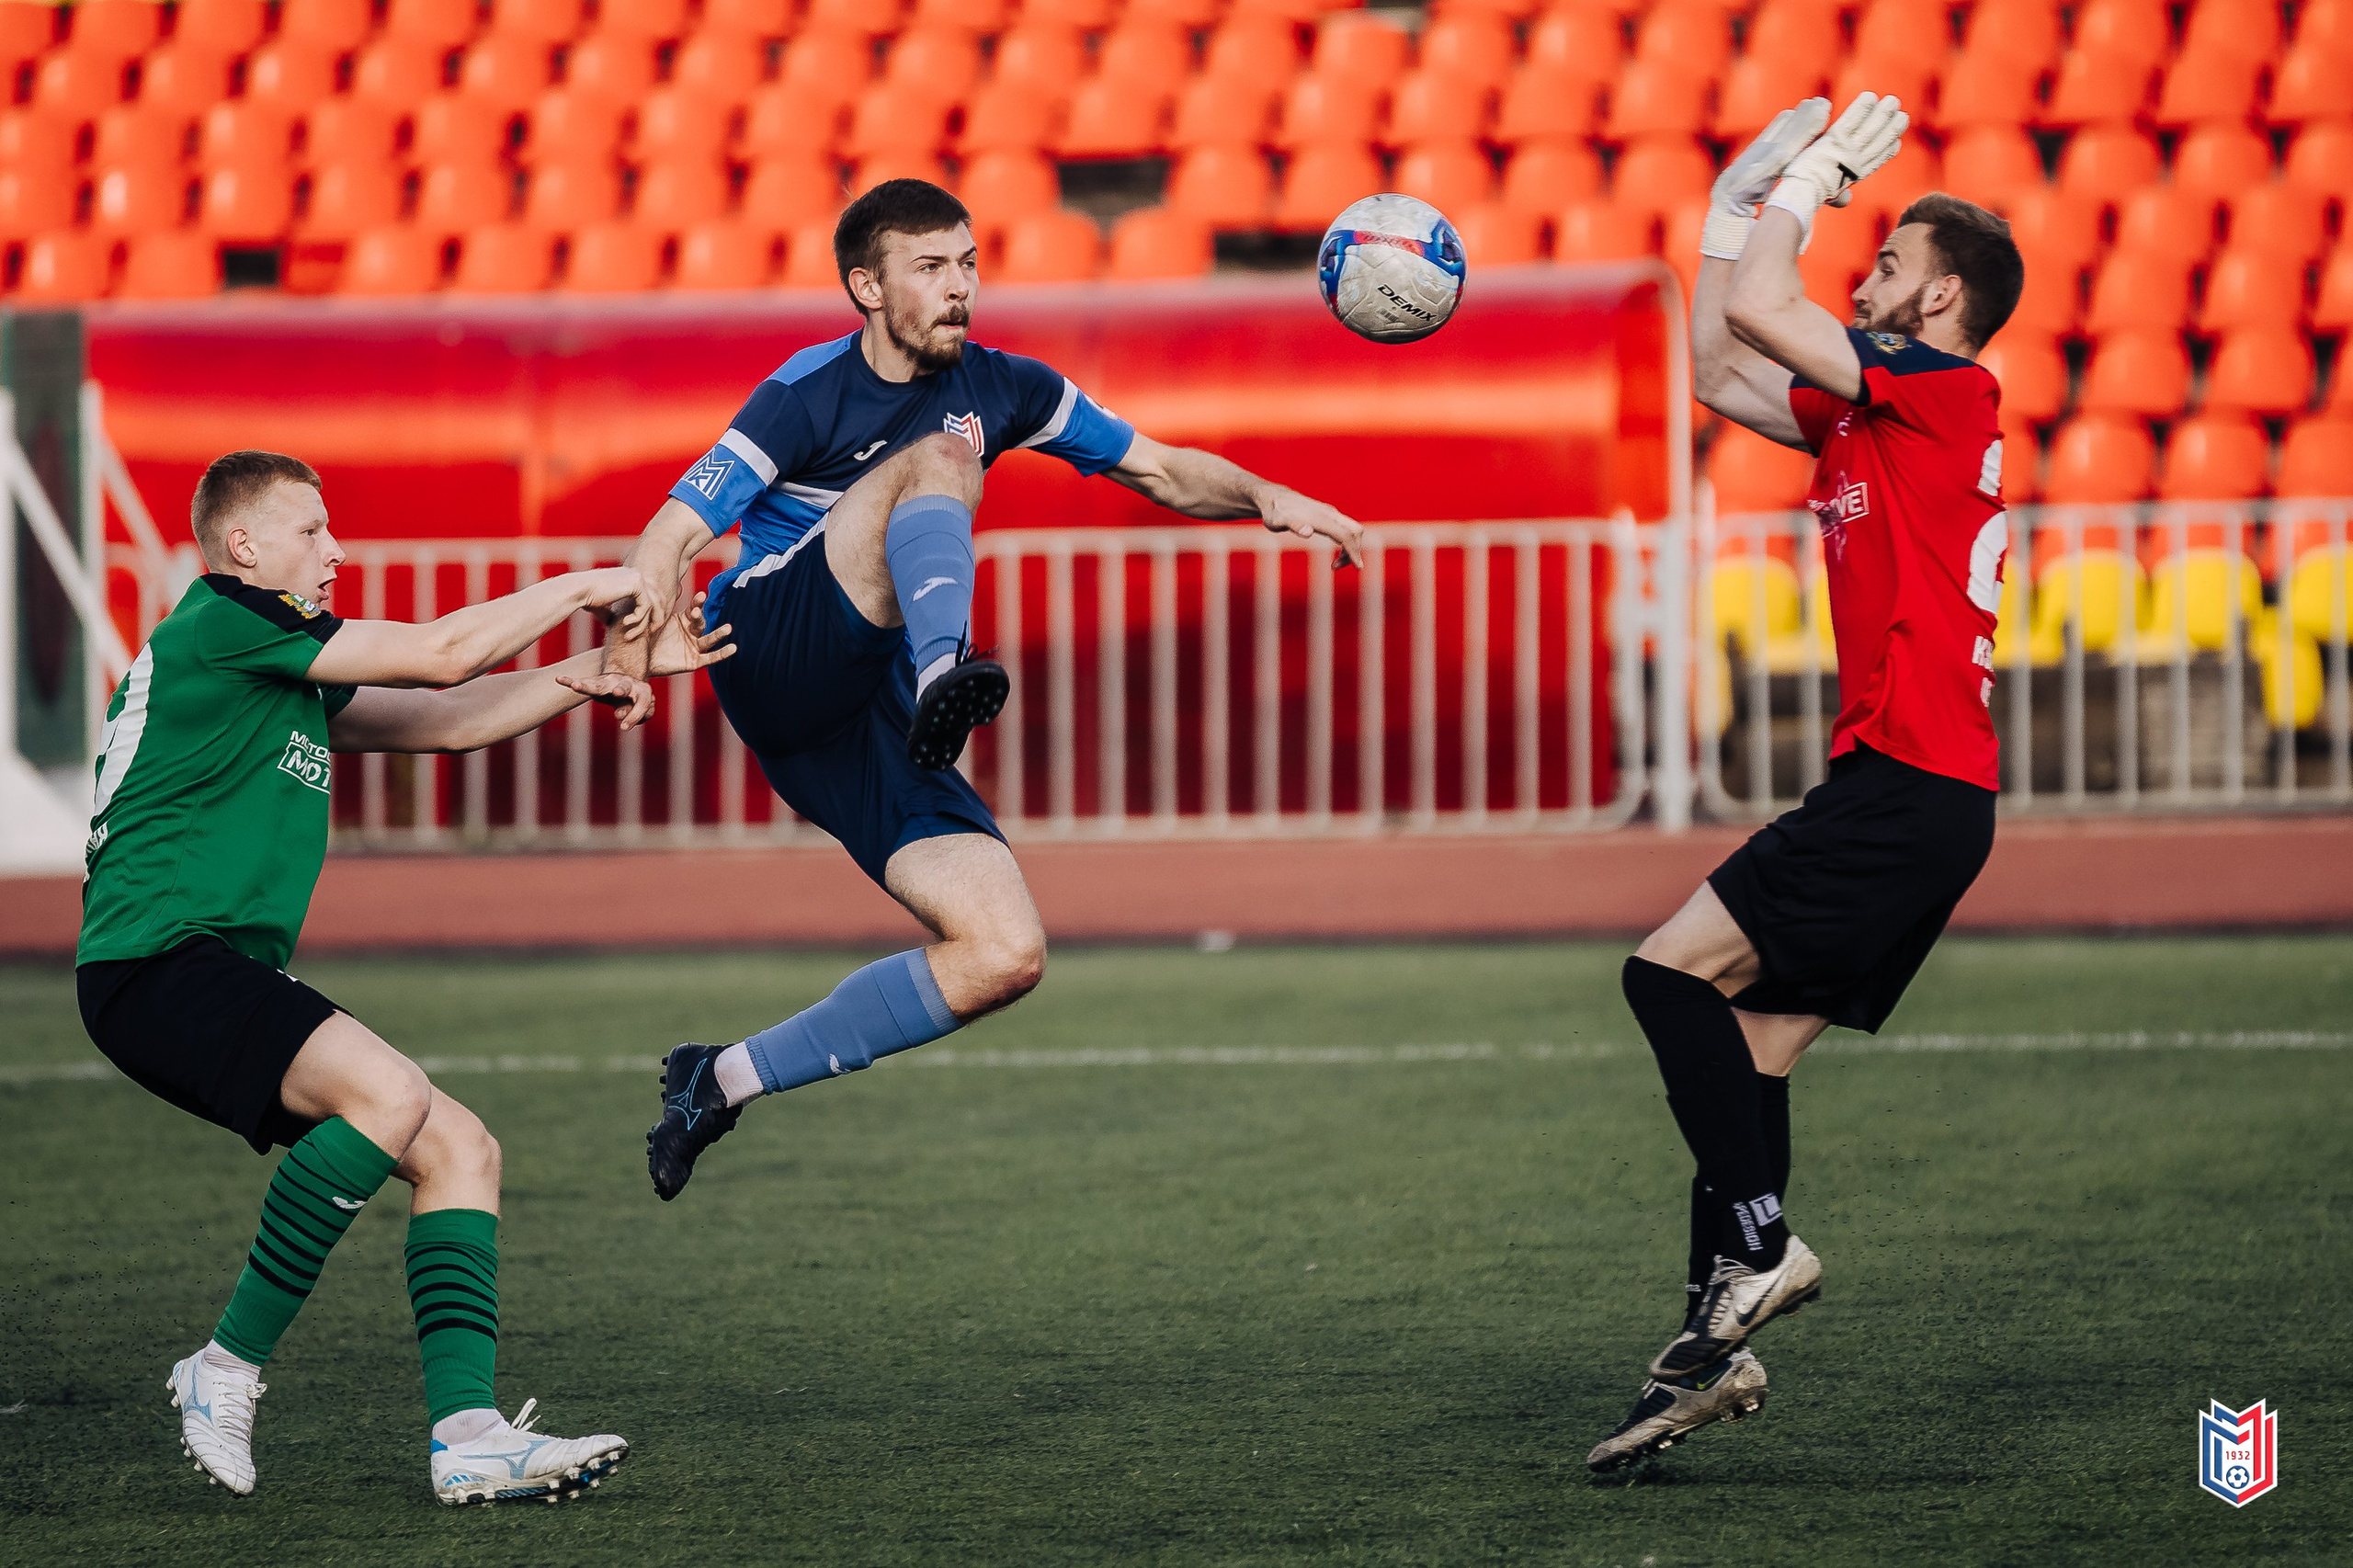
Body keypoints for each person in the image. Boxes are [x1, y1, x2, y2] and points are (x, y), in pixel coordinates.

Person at [620, 178, 1365, 1201]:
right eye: (930, 266)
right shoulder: (805, 392)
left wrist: (1266, 496)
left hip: (866, 708)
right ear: (866, 287)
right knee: (939, 455)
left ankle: (719, 1078)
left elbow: (1158, 468)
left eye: (968, 262)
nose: (960, 286)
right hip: (774, 643)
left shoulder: (1007, 383)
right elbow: (670, 534)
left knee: (1002, 951)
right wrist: (632, 650)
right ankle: (943, 672)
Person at [76, 451, 732, 1504]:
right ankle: (225, 1365)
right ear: (244, 547)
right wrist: (586, 584)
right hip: (158, 960)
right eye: (313, 531)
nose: (337, 551)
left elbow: (448, 717)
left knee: (461, 1147)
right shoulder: (224, 620)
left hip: (194, 966)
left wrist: (599, 674)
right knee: (388, 1093)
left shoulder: (269, 660)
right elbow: (439, 656)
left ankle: (467, 1432)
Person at [1586, 97, 2026, 1470]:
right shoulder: (1872, 416)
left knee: (1664, 977)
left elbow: (1774, 307)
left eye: (1889, 259)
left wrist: (1815, 180)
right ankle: (1710, 1357)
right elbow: (1721, 367)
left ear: (1939, 295)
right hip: (1919, 791)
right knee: (1753, 1050)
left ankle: (1764, 1255)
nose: (1867, 269)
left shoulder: (1942, 386)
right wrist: (1730, 210)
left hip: (1908, 782)